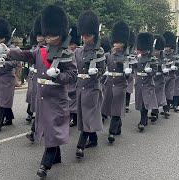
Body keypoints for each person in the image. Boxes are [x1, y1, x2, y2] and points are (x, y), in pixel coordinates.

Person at [8, 5, 77, 178]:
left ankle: (45, 165)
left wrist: (59, 75)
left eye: (51, 35)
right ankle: (56, 157)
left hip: (57, 99)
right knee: (49, 130)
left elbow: (72, 75)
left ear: (60, 34)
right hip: (43, 99)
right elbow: (26, 56)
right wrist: (9, 51)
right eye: (47, 35)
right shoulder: (41, 50)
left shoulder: (66, 53)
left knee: (53, 131)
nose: (48, 38)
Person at [74, 10, 106, 158]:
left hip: (93, 88)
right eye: (84, 35)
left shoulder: (99, 51)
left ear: (94, 34)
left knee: (87, 116)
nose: (85, 38)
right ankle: (93, 139)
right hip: (81, 87)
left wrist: (96, 73)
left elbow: (102, 69)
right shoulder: (78, 52)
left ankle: (80, 146)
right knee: (84, 116)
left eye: (88, 35)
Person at [101, 20, 130, 143]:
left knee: (116, 108)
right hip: (109, 83)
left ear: (123, 44)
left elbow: (129, 71)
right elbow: (103, 66)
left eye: (119, 42)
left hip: (120, 83)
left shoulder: (126, 56)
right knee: (109, 107)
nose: (116, 44)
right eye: (115, 42)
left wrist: (127, 71)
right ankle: (118, 127)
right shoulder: (108, 55)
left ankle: (112, 132)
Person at [25, 15, 46, 142]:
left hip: (48, 83)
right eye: (38, 36)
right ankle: (35, 130)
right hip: (36, 79)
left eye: (41, 36)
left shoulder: (52, 51)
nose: (39, 38)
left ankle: (34, 131)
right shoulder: (35, 49)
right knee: (38, 107)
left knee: (43, 109)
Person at [134, 32, 158, 132]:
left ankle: (142, 121)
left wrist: (150, 71)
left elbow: (155, 70)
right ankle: (143, 119)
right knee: (140, 103)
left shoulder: (152, 58)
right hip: (139, 82)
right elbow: (134, 68)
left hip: (147, 83)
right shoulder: (137, 58)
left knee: (145, 102)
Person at [150, 35, 167, 122]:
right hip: (151, 79)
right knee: (152, 96)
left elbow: (164, 68)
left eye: (156, 50)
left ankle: (155, 112)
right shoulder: (150, 56)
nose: (155, 52)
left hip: (160, 79)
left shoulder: (163, 58)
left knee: (158, 96)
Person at [161, 31, 176, 119]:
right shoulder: (161, 54)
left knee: (169, 93)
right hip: (163, 76)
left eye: (169, 47)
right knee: (161, 92)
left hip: (171, 76)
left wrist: (175, 67)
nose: (167, 48)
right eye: (166, 46)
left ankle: (166, 109)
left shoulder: (174, 56)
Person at [68, 26, 81, 127]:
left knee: (75, 100)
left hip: (77, 80)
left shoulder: (79, 53)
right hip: (69, 79)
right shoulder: (67, 53)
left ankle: (75, 118)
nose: (71, 46)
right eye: (70, 44)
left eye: (73, 44)